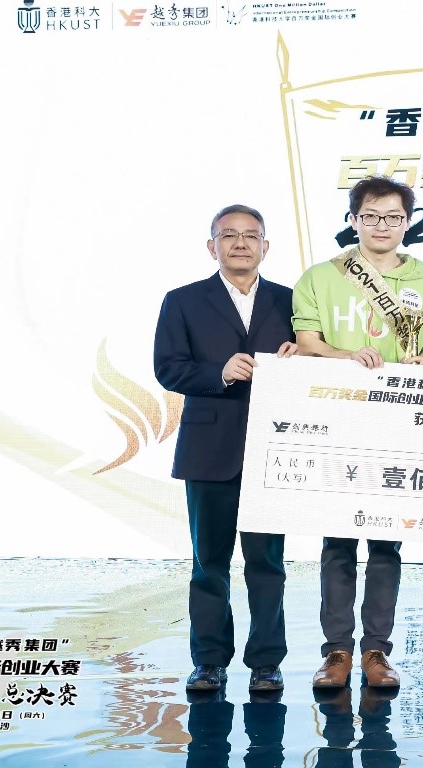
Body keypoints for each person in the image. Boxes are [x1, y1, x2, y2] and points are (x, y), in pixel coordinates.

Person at [292, 175, 423, 689]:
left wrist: (422, 360)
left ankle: (376, 651)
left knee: (386, 544)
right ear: (354, 220)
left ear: (408, 223)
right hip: (336, 422)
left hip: (398, 427)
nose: (383, 226)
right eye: (372, 216)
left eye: (394, 217)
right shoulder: (322, 277)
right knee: (337, 540)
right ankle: (336, 651)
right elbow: (306, 342)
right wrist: (346, 357)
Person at [154, 203, 298, 692]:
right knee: (208, 564)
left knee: (268, 564)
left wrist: (301, 356)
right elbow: (168, 368)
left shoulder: (291, 301)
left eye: (251, 235)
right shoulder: (183, 301)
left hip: (274, 449)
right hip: (208, 449)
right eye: (229, 235)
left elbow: (313, 362)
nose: (240, 243)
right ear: (211, 245)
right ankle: (209, 661)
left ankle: (266, 662)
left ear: (266, 246)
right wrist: (218, 372)